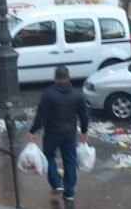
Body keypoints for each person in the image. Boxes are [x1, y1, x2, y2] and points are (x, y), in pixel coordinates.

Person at [28, 66, 89, 202]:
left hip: (52, 132)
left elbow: (40, 116)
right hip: (69, 133)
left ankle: (56, 183)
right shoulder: (77, 95)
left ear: (55, 79)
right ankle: (69, 192)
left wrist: (33, 131)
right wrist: (84, 131)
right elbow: (84, 116)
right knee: (69, 161)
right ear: (68, 78)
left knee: (49, 156)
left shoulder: (48, 94)